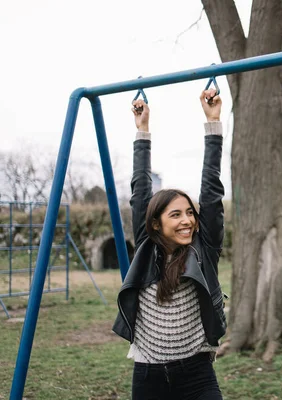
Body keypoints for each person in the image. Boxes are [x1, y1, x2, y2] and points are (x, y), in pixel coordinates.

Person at [112, 89, 227, 400]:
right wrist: (142, 130)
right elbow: (140, 189)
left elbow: (212, 193)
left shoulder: (203, 250)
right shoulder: (147, 248)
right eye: (175, 215)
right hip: (148, 375)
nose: (187, 220)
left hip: (197, 374)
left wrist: (213, 124)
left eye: (190, 213)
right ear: (155, 224)